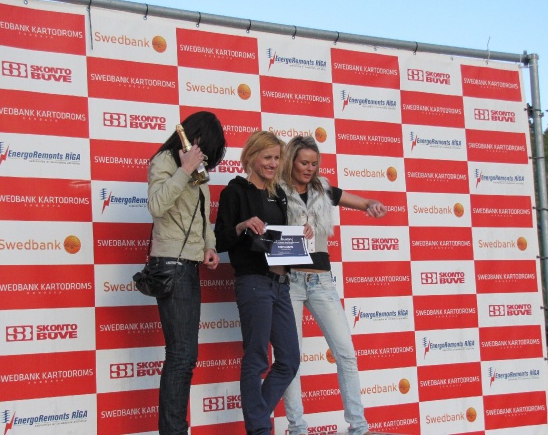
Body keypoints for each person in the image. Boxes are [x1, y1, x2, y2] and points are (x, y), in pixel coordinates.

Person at [280, 135, 387, 435]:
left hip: (321, 281)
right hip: (288, 281)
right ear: (291, 161)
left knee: (346, 353)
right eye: (304, 162)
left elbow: (362, 203)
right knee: (291, 359)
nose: (309, 168)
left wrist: (372, 205)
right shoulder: (277, 190)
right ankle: (297, 428)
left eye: (314, 163)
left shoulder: (323, 189)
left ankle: (359, 427)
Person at [214, 131, 312, 435]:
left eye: (277, 158)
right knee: (257, 359)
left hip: (282, 284)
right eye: (267, 157)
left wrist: (301, 232)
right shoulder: (234, 192)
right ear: (251, 157)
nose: (273, 163)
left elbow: (278, 239)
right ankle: (258, 429)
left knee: (289, 360)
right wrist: (242, 225)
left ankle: (256, 420)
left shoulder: (278, 194)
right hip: (254, 283)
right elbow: (220, 240)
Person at [147, 110, 226, 435]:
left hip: (189, 264)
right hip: (170, 264)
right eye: (206, 149)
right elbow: (156, 206)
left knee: (184, 355)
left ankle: (175, 428)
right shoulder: (166, 161)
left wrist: (209, 246)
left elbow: (202, 214)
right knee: (181, 355)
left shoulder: (197, 167)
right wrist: (184, 170)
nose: (206, 157)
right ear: (196, 138)